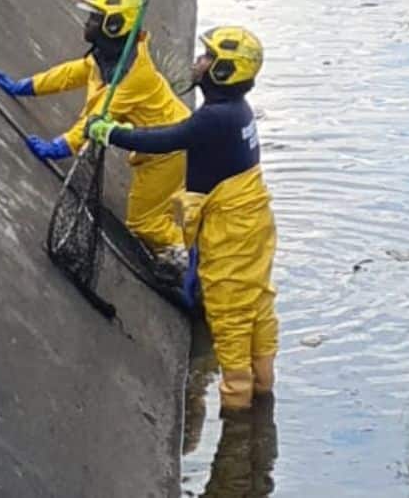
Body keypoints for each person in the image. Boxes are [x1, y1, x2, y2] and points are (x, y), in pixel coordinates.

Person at [88, 26, 278, 410]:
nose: (198, 62)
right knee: (256, 307)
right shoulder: (233, 111)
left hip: (232, 231)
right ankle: (263, 394)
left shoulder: (217, 117)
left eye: (207, 58)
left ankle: (238, 423)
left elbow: (168, 139)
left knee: (229, 320)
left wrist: (113, 133)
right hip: (249, 220)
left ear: (224, 71)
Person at [0, 0, 190, 267]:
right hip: (158, 142)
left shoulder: (130, 77)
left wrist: (60, 146)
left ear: (114, 25)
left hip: (168, 151)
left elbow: (93, 121)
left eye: (96, 17)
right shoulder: (110, 56)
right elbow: (73, 73)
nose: (88, 22)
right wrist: (27, 86)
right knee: (156, 211)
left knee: (144, 223)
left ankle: (189, 262)